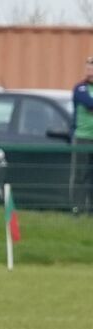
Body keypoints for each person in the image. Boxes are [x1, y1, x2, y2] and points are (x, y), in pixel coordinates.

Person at [71, 57, 93, 214]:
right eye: (88, 68)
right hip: (83, 138)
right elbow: (89, 103)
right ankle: (77, 208)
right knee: (80, 175)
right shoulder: (80, 88)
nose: (90, 71)